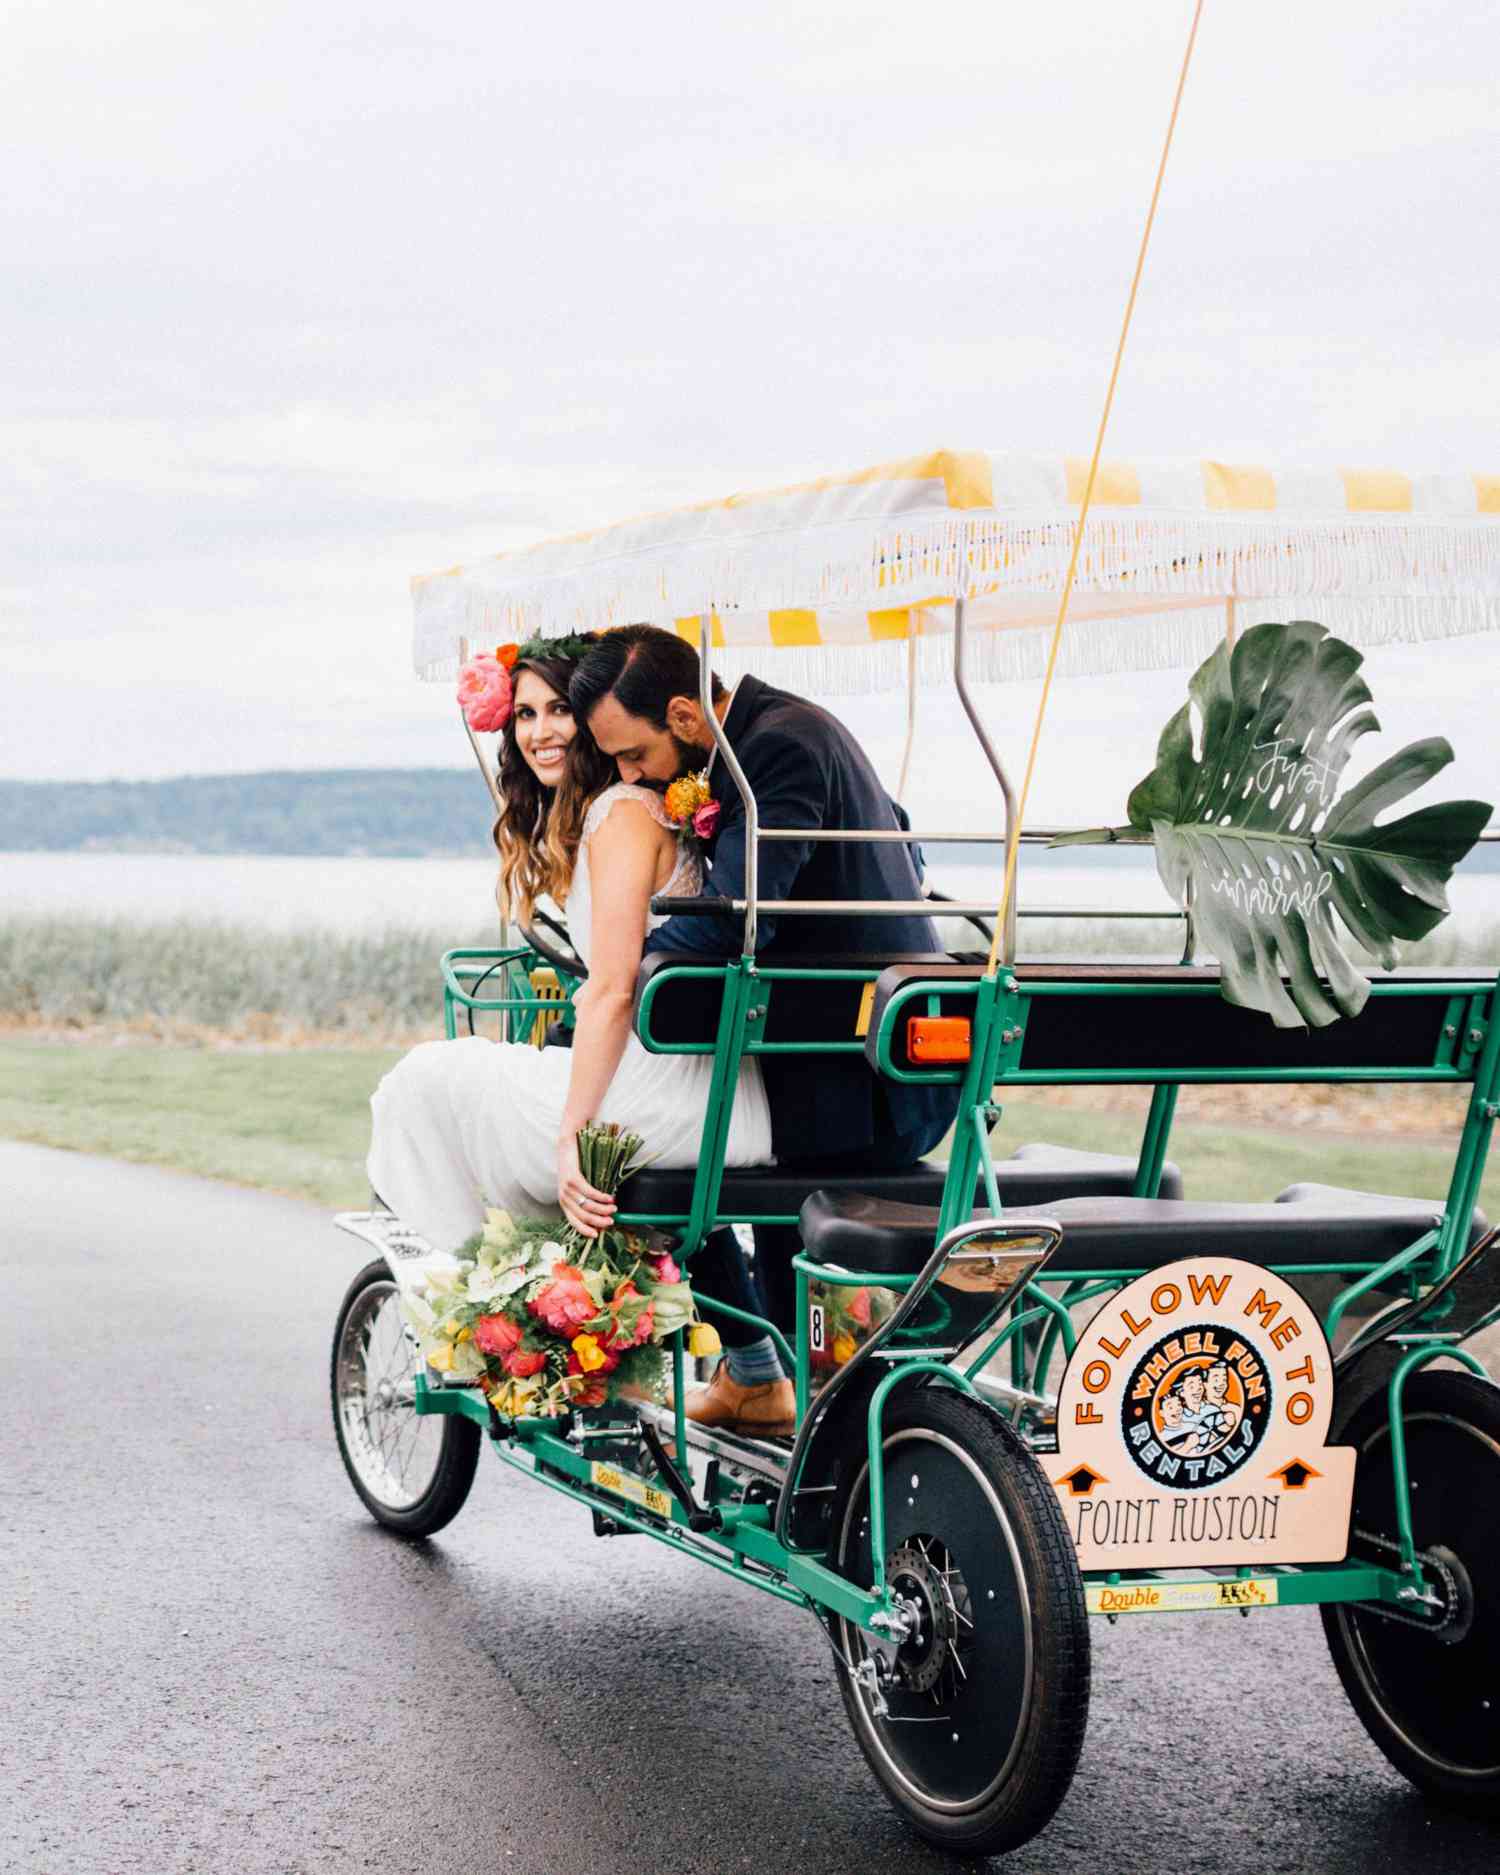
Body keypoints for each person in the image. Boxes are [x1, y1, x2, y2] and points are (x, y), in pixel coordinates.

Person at [568, 624, 961, 1436]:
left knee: (661, 1136)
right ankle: (773, 1385)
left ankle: (787, 1394)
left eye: (634, 756)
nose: (630, 776)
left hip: (869, 1086)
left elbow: (733, 920)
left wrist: (628, 969)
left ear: (683, 715)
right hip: (834, 1054)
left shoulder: (779, 749)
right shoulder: (769, 736)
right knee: (679, 1115)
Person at [366, 637, 772, 1256]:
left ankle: (475, 1278)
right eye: (525, 714)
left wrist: (570, 1136)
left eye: (558, 709)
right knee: (458, 1079)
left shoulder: (622, 815)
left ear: (595, 721)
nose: (540, 731)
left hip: (672, 1088)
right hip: (688, 1078)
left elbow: (611, 991)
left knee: (423, 1079)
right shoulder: (623, 812)